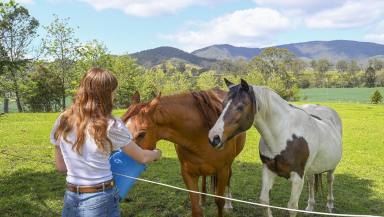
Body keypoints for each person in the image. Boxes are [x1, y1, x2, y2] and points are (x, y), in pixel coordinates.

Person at [50, 68, 161, 217]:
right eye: (112, 91)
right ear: (105, 94)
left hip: (71, 197)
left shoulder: (62, 120)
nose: (114, 95)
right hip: (100, 199)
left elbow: (61, 166)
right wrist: (156, 153)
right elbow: (142, 157)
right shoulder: (111, 125)